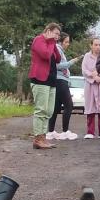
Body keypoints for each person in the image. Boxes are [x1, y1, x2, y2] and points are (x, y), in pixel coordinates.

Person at [28, 22, 61, 150]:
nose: (57, 36)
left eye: (58, 35)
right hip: (40, 80)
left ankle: (43, 137)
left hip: (51, 80)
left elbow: (57, 59)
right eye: (55, 33)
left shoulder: (51, 44)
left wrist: (53, 43)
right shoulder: (38, 40)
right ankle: (38, 138)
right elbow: (45, 54)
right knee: (41, 109)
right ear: (48, 31)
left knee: (49, 111)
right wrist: (51, 42)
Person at [48, 33, 79, 140]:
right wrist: (71, 62)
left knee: (56, 107)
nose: (68, 44)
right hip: (60, 80)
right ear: (60, 42)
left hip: (59, 80)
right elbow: (56, 65)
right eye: (66, 42)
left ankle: (51, 131)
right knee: (69, 105)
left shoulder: (59, 50)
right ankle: (65, 131)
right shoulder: (57, 49)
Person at [81, 37, 100, 139]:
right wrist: (93, 76)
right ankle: (90, 132)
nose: (98, 47)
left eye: (99, 45)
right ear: (91, 45)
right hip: (90, 85)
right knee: (90, 108)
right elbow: (84, 70)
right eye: (95, 45)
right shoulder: (87, 56)